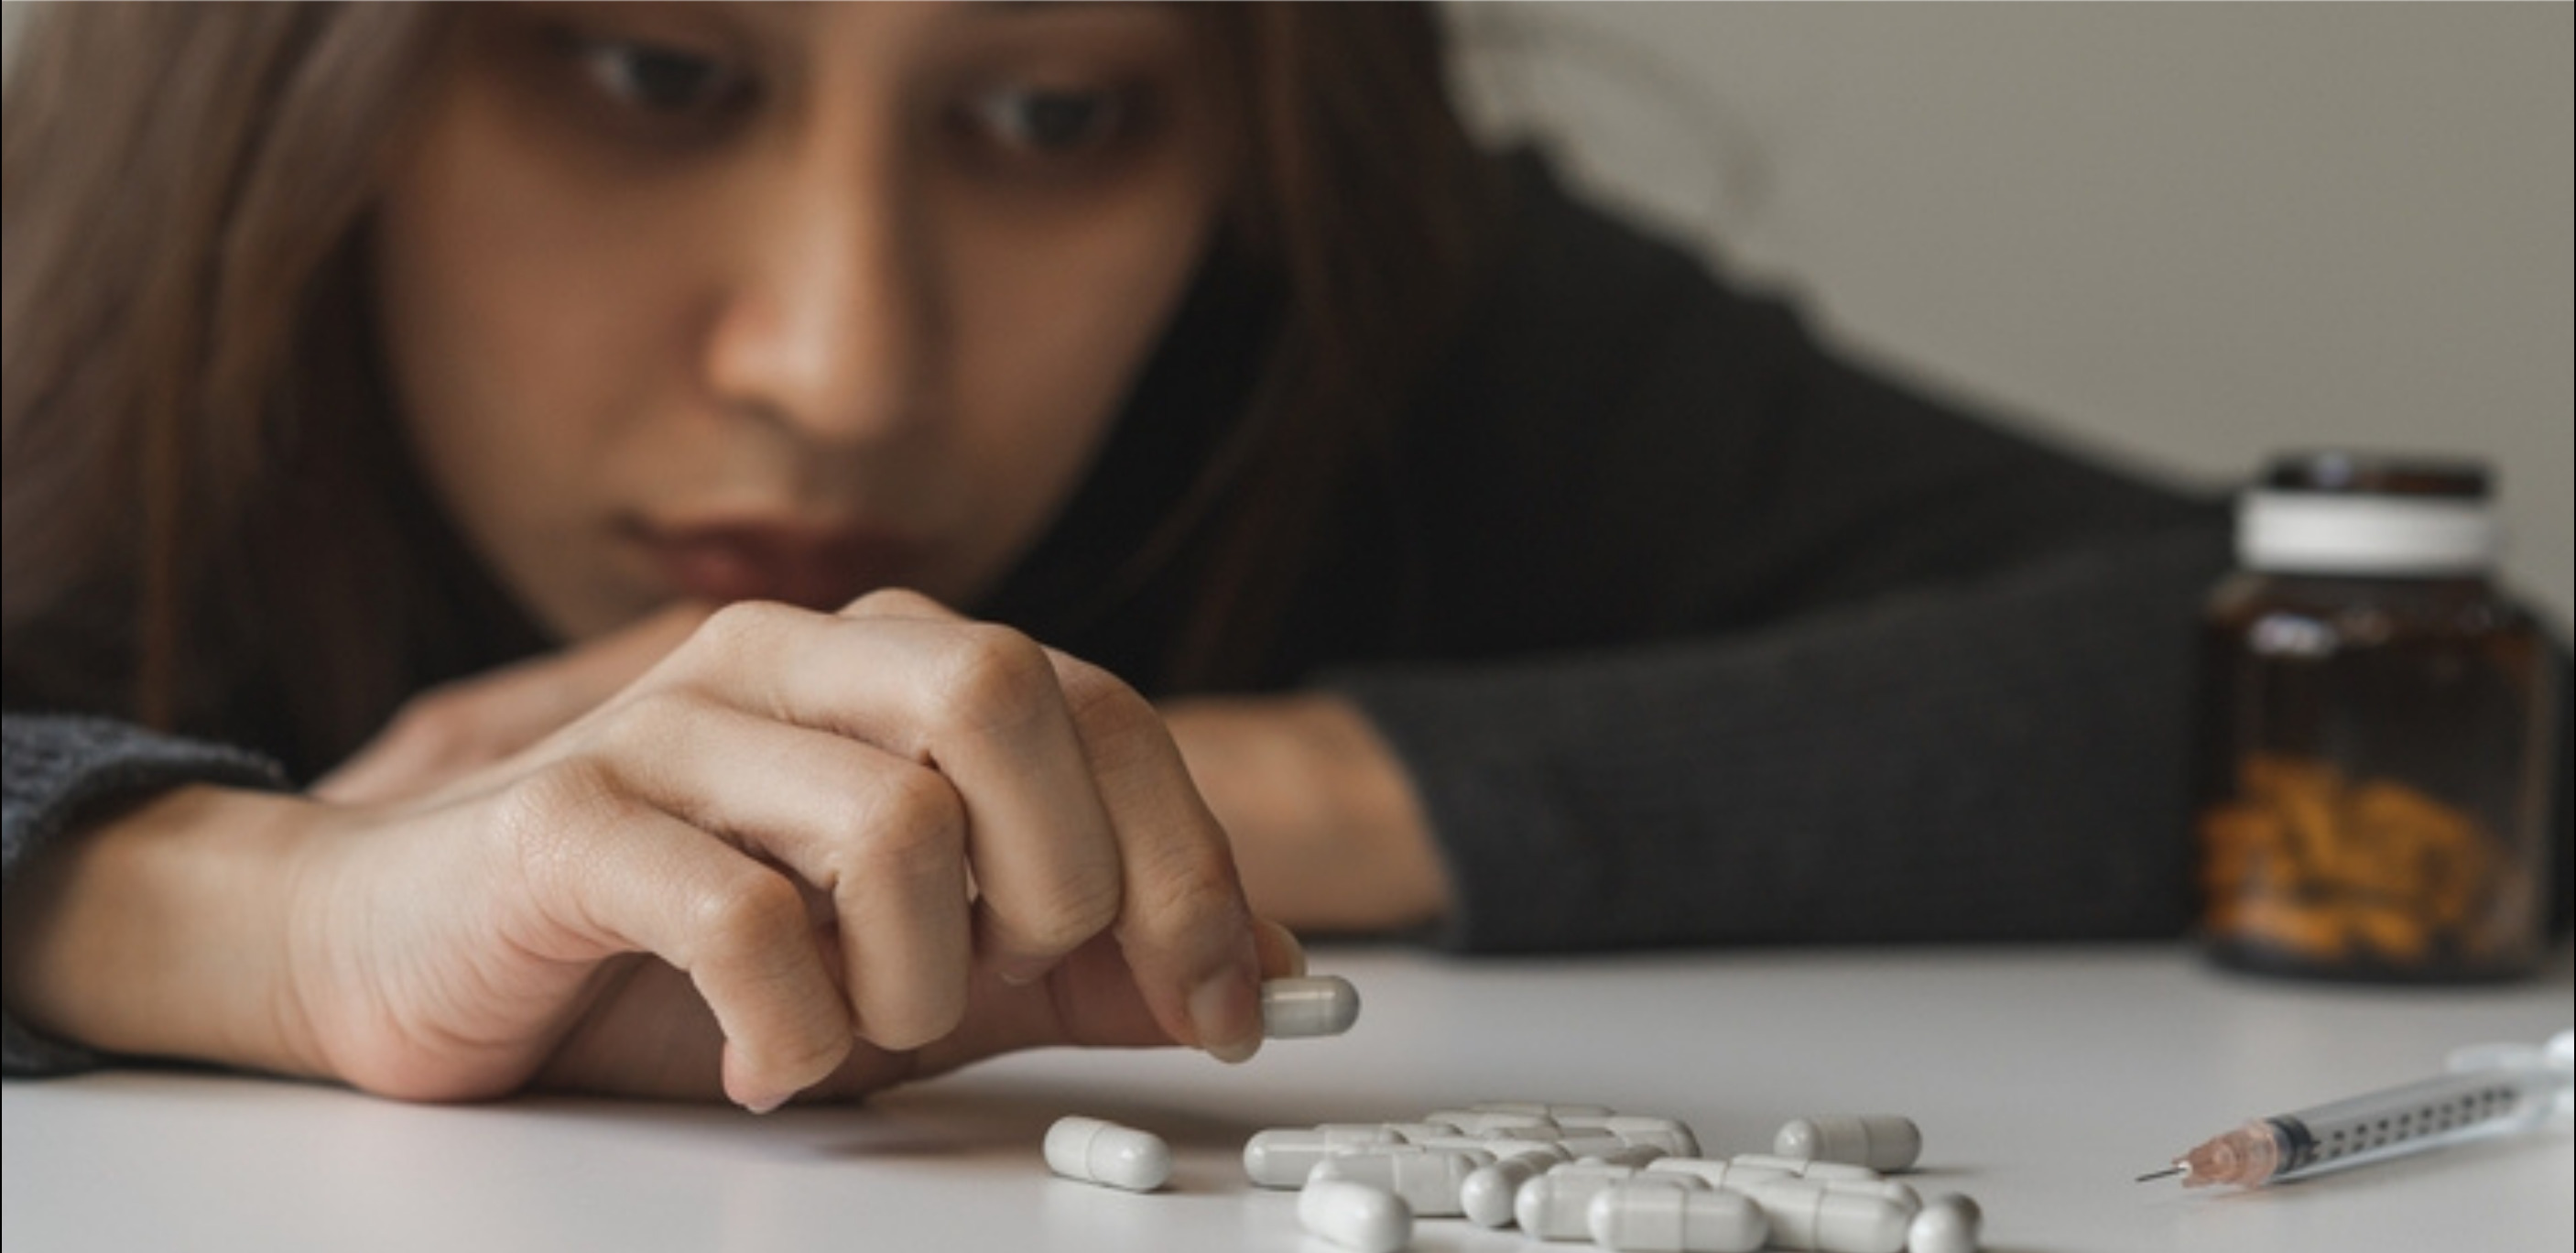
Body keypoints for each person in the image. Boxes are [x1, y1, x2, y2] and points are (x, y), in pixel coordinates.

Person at [5, 5, 2560, 1108]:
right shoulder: (66, 288)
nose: (844, 355)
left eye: (1050, 116)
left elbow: (2366, 695)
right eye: (657, 75)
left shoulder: (1365, 306)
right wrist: (277, 916)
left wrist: (1195, 806)